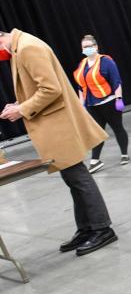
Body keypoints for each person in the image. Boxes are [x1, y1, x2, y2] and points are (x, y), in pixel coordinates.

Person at [0, 28, 118, 256]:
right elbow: (37, 86)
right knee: (72, 178)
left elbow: (50, 89)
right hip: (53, 125)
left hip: (58, 125)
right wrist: (18, 103)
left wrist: (22, 109)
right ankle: (86, 228)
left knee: (78, 176)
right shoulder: (19, 46)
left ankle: (102, 228)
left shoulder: (28, 48)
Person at [74, 34, 129, 173]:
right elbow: (80, 87)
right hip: (92, 105)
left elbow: (116, 81)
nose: (87, 49)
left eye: (89, 46)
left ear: (96, 47)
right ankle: (95, 160)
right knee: (97, 133)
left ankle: (124, 154)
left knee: (118, 128)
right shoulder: (82, 65)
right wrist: (81, 106)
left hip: (108, 102)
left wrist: (119, 99)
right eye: (84, 47)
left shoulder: (106, 61)